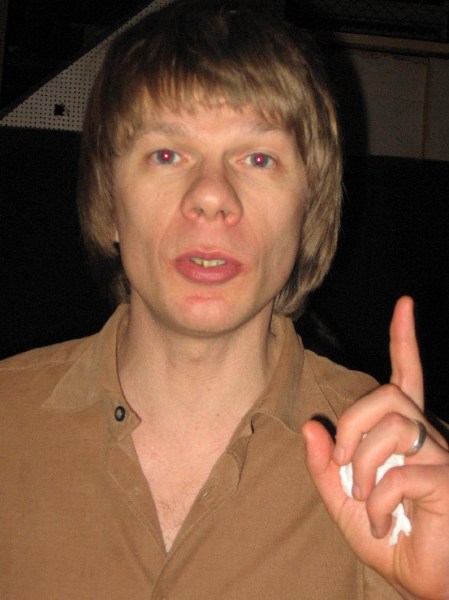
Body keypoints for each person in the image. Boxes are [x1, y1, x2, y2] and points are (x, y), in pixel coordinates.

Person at [1, 1, 448, 598]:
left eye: (258, 158)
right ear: (109, 203)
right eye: (167, 154)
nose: (211, 196)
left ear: (308, 212)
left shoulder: (415, 484)